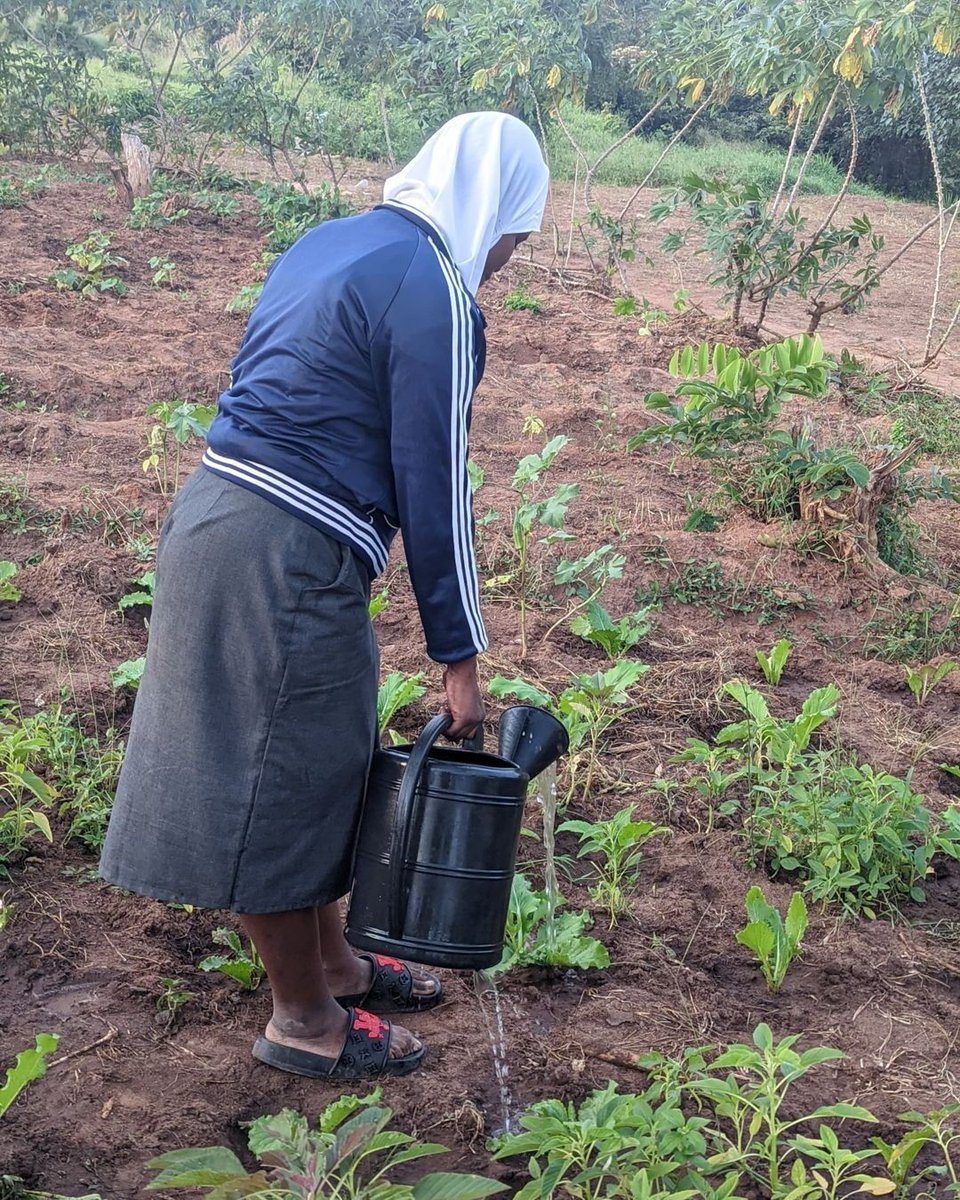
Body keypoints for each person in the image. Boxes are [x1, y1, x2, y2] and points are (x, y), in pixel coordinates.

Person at [99, 112, 550, 1080]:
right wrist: (461, 659)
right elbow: (436, 483)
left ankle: (337, 965)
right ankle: (304, 1018)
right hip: (284, 554)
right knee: (275, 782)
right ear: (494, 206)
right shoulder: (436, 290)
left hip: (216, 516)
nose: (509, 256)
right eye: (518, 233)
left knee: (318, 760)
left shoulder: (330, 241)